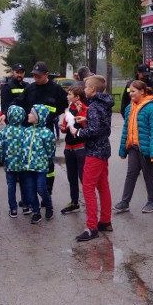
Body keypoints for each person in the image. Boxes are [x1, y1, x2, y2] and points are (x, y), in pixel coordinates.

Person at [13, 61, 69, 206]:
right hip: (30, 131)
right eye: (34, 76)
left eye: (39, 76)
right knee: (30, 163)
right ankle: (30, 197)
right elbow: (19, 102)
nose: (36, 79)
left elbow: (65, 103)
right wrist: (7, 113)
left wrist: (56, 114)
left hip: (47, 130)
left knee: (48, 164)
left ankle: (47, 194)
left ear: (46, 75)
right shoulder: (30, 88)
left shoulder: (56, 89)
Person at [68, 75, 114, 242]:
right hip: (103, 150)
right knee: (103, 186)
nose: (84, 89)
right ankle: (106, 221)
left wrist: (78, 132)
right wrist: (86, 118)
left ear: (93, 89)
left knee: (88, 187)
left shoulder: (94, 106)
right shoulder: (104, 103)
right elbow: (102, 124)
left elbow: (93, 131)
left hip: (94, 152)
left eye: (86, 87)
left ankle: (91, 227)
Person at [115, 80, 153, 214]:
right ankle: (125, 202)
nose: (130, 94)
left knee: (148, 175)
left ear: (142, 91)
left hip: (145, 148)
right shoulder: (129, 108)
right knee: (131, 174)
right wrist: (123, 149)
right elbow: (126, 130)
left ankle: (152, 202)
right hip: (133, 148)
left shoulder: (151, 107)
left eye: (133, 91)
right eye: (130, 92)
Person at [23, 105, 56, 224]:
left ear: (38, 117)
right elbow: (23, 148)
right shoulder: (27, 131)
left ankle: (48, 205)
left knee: (41, 188)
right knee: (31, 190)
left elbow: (50, 150)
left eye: (31, 113)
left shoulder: (47, 133)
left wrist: (45, 160)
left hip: (41, 166)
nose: (28, 115)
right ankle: (36, 212)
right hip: (28, 167)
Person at [60, 85, 88, 215]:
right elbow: (66, 127)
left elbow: (85, 126)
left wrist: (81, 111)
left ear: (77, 97)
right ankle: (74, 202)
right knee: (71, 177)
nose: (67, 96)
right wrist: (62, 127)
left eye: (70, 94)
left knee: (83, 177)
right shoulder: (69, 109)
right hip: (68, 147)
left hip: (80, 148)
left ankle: (89, 203)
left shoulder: (85, 108)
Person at [0, 105, 27, 218]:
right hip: (23, 164)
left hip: (9, 164)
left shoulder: (4, 132)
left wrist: (1, 159)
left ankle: (13, 209)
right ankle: (25, 206)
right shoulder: (26, 131)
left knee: (11, 185)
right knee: (24, 184)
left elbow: (0, 148)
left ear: (9, 116)